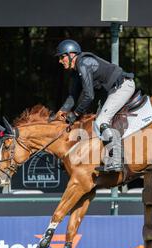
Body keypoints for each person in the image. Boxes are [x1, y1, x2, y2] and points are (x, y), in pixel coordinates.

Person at [53, 39, 135, 172]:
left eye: (62, 57)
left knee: (101, 121)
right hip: (111, 90)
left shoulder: (83, 63)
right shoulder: (76, 72)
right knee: (95, 125)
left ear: (71, 55)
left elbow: (89, 95)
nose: (60, 61)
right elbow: (72, 96)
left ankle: (117, 159)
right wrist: (61, 112)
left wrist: (76, 113)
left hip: (122, 86)